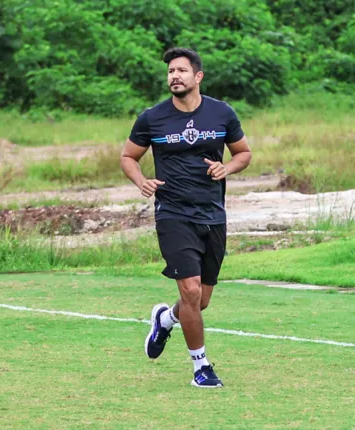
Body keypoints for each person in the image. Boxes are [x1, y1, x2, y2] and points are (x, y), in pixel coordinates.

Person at [120, 47, 252, 388]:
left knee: (200, 301)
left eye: (180, 70)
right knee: (190, 291)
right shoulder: (153, 118)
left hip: (213, 214)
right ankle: (201, 367)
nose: (174, 76)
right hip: (173, 214)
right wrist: (140, 180)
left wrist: (228, 167)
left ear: (198, 76)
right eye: (170, 72)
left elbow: (244, 153)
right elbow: (128, 157)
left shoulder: (222, 113)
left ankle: (166, 319)